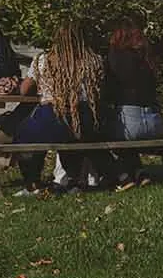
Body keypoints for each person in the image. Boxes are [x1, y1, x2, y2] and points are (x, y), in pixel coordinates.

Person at [11, 22, 106, 196]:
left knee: (24, 135)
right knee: (72, 136)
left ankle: (33, 183)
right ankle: (73, 179)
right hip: (84, 118)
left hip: (52, 115)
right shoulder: (95, 61)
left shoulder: (43, 60)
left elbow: (25, 90)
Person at [104, 15, 163, 188]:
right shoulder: (147, 58)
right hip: (155, 123)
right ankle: (141, 172)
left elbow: (109, 90)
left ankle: (124, 175)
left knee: (106, 132)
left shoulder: (114, 56)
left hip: (129, 120)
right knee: (125, 135)